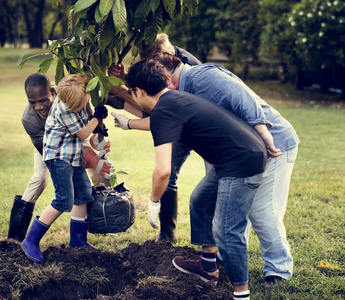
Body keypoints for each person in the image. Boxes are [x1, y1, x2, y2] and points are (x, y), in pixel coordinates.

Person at [150, 53, 300, 287]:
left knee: (261, 210)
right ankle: (213, 260)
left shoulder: (203, 77)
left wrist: (265, 135)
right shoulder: (184, 91)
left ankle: (278, 270)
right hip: (237, 155)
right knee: (203, 199)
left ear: (168, 78)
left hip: (273, 144)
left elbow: (244, 99)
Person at [125, 60, 267, 300]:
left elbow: (162, 171)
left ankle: (241, 294)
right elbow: (157, 122)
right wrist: (127, 123)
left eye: (131, 92)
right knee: (200, 200)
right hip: (238, 154)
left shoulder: (164, 108)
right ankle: (208, 267)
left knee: (226, 231)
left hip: (240, 162)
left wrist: (153, 202)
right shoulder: (173, 99)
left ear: (138, 91)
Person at [107, 33, 202, 243]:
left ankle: (170, 233)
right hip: (178, 118)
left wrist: (121, 91)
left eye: (150, 62)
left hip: (196, 126)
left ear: (162, 55)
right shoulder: (163, 59)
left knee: (170, 173)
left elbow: (161, 112)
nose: (149, 66)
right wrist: (125, 80)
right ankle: (168, 233)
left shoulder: (185, 68)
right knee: (171, 175)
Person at [7, 74, 113, 242]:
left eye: (42, 100)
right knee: (40, 179)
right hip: (51, 147)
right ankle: (15, 236)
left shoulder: (70, 92)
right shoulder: (29, 119)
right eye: (32, 102)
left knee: (96, 174)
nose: (39, 107)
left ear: (52, 92)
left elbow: (86, 112)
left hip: (75, 136)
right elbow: (48, 152)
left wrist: (98, 133)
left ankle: (104, 220)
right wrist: (89, 159)